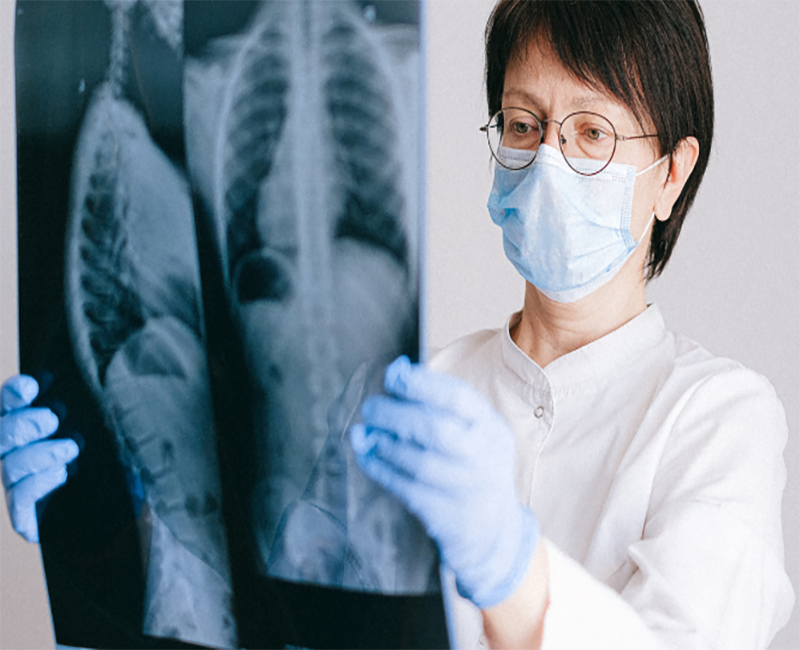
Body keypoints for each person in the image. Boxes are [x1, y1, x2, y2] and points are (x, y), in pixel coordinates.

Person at [1, 1, 794, 649]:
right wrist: (105, 539)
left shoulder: (720, 417)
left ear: (673, 173)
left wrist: (509, 564)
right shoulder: (405, 392)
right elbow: (281, 630)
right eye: (523, 126)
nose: (549, 161)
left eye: (592, 133)